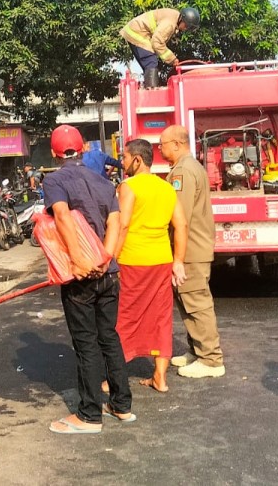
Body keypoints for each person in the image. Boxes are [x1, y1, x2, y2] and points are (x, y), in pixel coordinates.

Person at [42, 124, 130, 435]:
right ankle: (121, 405)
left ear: (55, 152)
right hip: (109, 272)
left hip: (81, 276)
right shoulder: (103, 181)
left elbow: (63, 216)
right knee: (109, 336)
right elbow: (116, 222)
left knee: (86, 343)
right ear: (82, 149)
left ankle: (90, 414)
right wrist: (105, 260)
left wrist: (82, 260)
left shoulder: (54, 180)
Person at [113, 139, 188, 392]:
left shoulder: (128, 186)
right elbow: (181, 225)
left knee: (125, 317)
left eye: (124, 158)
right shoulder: (166, 187)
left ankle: (114, 379)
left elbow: (122, 225)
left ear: (137, 160)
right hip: (161, 260)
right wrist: (178, 260)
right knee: (160, 317)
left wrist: (111, 258)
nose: (121, 163)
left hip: (133, 261)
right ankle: (160, 377)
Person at [159, 125, 226, 378]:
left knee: (197, 303)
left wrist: (175, 255)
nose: (160, 148)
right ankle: (198, 350)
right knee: (188, 300)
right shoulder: (190, 166)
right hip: (194, 247)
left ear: (177, 144)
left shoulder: (184, 171)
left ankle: (211, 359)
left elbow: (179, 217)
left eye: (163, 144)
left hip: (190, 249)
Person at [120, 7, 201, 88]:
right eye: (187, 26)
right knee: (151, 61)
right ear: (182, 19)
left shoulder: (174, 17)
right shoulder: (170, 24)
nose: (185, 29)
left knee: (149, 65)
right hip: (137, 33)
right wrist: (172, 59)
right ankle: (152, 90)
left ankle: (149, 86)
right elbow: (157, 42)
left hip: (134, 31)